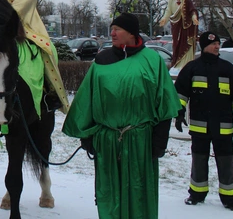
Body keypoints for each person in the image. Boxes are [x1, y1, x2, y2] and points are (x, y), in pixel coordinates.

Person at [63, 12, 181, 218]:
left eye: (118, 29)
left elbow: (164, 103)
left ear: (132, 33)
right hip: (107, 142)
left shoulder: (152, 60)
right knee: (109, 195)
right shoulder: (101, 60)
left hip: (140, 142)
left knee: (139, 193)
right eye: (112, 29)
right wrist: (87, 136)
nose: (113, 33)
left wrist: (159, 140)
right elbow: (87, 100)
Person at [174, 31, 233, 211]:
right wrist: (179, 113)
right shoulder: (192, 68)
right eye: (213, 44)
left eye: (218, 44)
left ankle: (231, 199)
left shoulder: (228, 69)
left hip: (223, 127)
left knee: (226, 161)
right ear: (204, 46)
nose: (217, 47)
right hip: (200, 126)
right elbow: (180, 94)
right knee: (199, 160)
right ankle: (197, 193)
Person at [159, 0, 199, 68]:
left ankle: (186, 63)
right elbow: (168, 11)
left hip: (186, 25)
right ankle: (177, 63)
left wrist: (194, 18)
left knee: (185, 43)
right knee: (176, 43)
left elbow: (192, 10)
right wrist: (164, 19)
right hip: (175, 24)